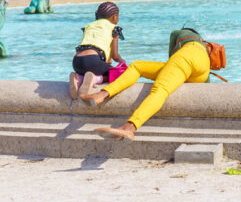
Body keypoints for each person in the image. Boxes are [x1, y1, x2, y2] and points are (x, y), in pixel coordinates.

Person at [83, 26, 211, 140]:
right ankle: (102, 96)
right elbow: (205, 80)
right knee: (138, 66)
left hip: (184, 59)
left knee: (160, 89)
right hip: (201, 71)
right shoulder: (203, 45)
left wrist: (168, 74)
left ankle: (128, 127)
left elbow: (172, 57)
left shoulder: (178, 33)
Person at [69, 2, 124, 100]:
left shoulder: (89, 26)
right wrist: (122, 62)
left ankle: (78, 78)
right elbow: (115, 56)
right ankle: (95, 79)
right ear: (115, 17)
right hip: (92, 61)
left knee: (93, 68)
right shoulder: (114, 29)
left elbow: (94, 45)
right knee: (118, 75)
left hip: (77, 62)